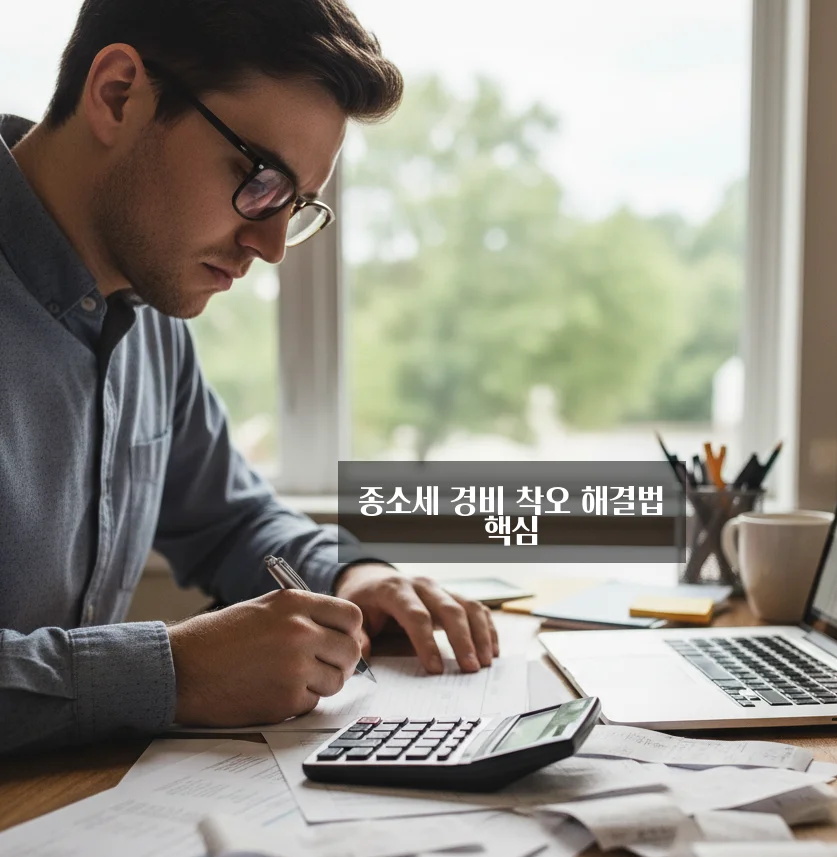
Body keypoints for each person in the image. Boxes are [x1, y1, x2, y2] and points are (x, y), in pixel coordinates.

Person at [0, 0, 498, 754]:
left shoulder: (147, 312)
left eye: (295, 204)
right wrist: (175, 673)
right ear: (117, 94)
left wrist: (350, 578)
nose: (271, 248)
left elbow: (230, 518)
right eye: (258, 176)